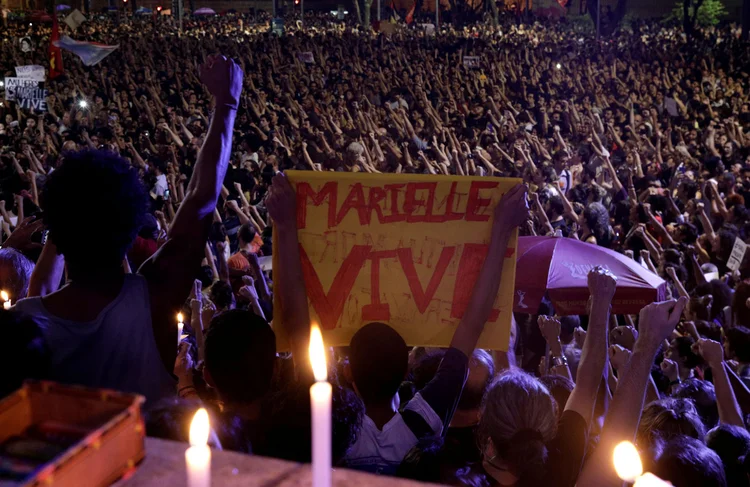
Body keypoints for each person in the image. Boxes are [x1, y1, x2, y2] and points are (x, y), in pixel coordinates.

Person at [11, 55, 243, 404]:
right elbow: (199, 201)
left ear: (56, 229)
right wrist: (226, 104)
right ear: (130, 223)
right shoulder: (153, 297)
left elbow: (40, 289)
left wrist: (64, 218)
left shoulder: (22, 324)